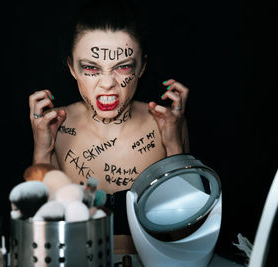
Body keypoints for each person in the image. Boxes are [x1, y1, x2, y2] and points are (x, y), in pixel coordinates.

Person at [28, 0, 189, 254]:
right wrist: (42, 150)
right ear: (72, 68)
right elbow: (40, 240)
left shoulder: (165, 125)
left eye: (122, 67)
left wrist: (174, 146)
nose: (107, 84)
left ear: (142, 67)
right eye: (91, 68)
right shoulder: (55, 126)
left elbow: (185, 238)